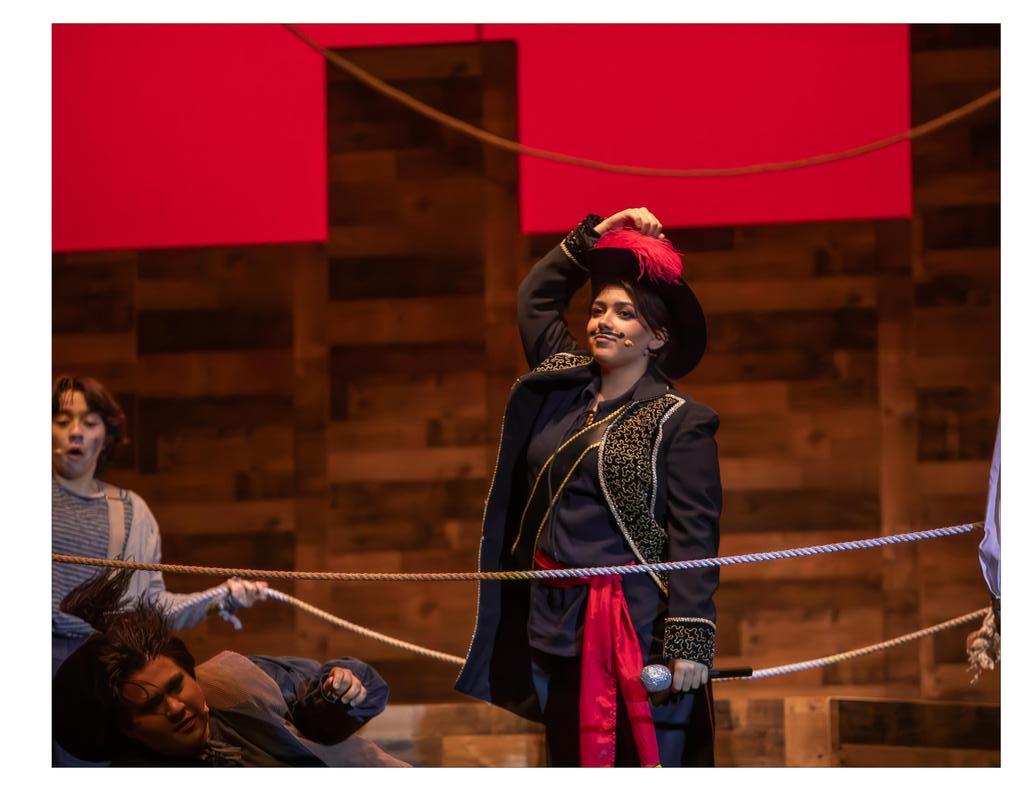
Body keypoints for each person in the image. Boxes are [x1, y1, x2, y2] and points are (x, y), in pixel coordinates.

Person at [455, 208, 721, 767]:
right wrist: (597, 233)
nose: (605, 321)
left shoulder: (681, 420)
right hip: (552, 617)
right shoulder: (563, 387)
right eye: (598, 309)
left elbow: (695, 537)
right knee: (566, 756)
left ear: (657, 337)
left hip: (634, 622)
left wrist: (690, 640)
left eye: (625, 314)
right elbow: (535, 298)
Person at [52, 570, 408, 767]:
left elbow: (315, 711)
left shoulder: (237, 679)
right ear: (127, 728)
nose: (175, 708)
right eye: (151, 705)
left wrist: (337, 695)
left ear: (190, 675)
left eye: (176, 686)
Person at [52, 374, 268, 678]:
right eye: (63, 421)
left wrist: (220, 598)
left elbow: (151, 608)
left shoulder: (132, 512)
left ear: (106, 436)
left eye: (89, 423)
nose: (76, 432)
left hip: (99, 678)